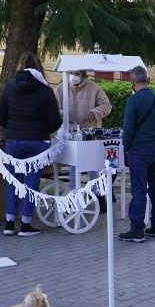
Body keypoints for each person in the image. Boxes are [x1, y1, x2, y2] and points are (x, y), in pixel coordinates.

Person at [0, 52, 62, 237]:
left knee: (13, 181)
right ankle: (25, 224)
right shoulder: (45, 90)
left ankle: (9, 223)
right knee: (32, 182)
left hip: (14, 140)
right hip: (37, 140)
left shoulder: (8, 88)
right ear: (39, 67)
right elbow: (56, 121)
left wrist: (14, 127)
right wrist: (41, 129)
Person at [118, 65, 155, 243]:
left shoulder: (133, 101)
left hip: (138, 151)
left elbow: (128, 128)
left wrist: (126, 146)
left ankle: (137, 230)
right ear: (148, 80)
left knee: (139, 189)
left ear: (132, 82)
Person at [55, 69, 113, 211]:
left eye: (77, 74)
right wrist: (63, 115)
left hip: (90, 135)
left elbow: (106, 106)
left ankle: (100, 198)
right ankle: (76, 196)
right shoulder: (60, 89)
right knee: (73, 168)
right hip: (69, 136)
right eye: (71, 74)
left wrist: (94, 114)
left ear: (84, 75)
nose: (74, 77)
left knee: (94, 168)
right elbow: (52, 107)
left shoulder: (94, 88)